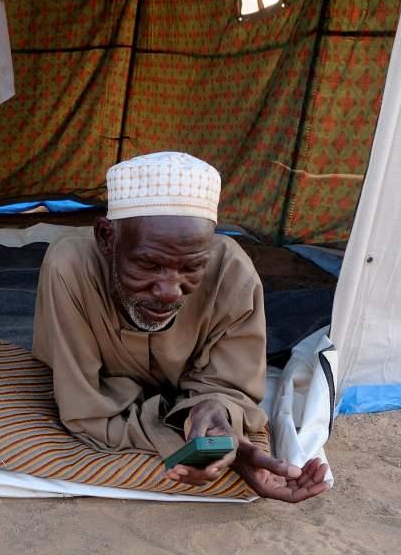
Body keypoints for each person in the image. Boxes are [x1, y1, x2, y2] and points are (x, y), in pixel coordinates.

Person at [32, 152, 328, 503]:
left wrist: (215, 417)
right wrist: (187, 438)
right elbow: (86, 410)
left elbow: (230, 389)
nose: (170, 291)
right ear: (106, 238)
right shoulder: (71, 269)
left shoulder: (231, 272)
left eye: (191, 268)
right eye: (148, 264)